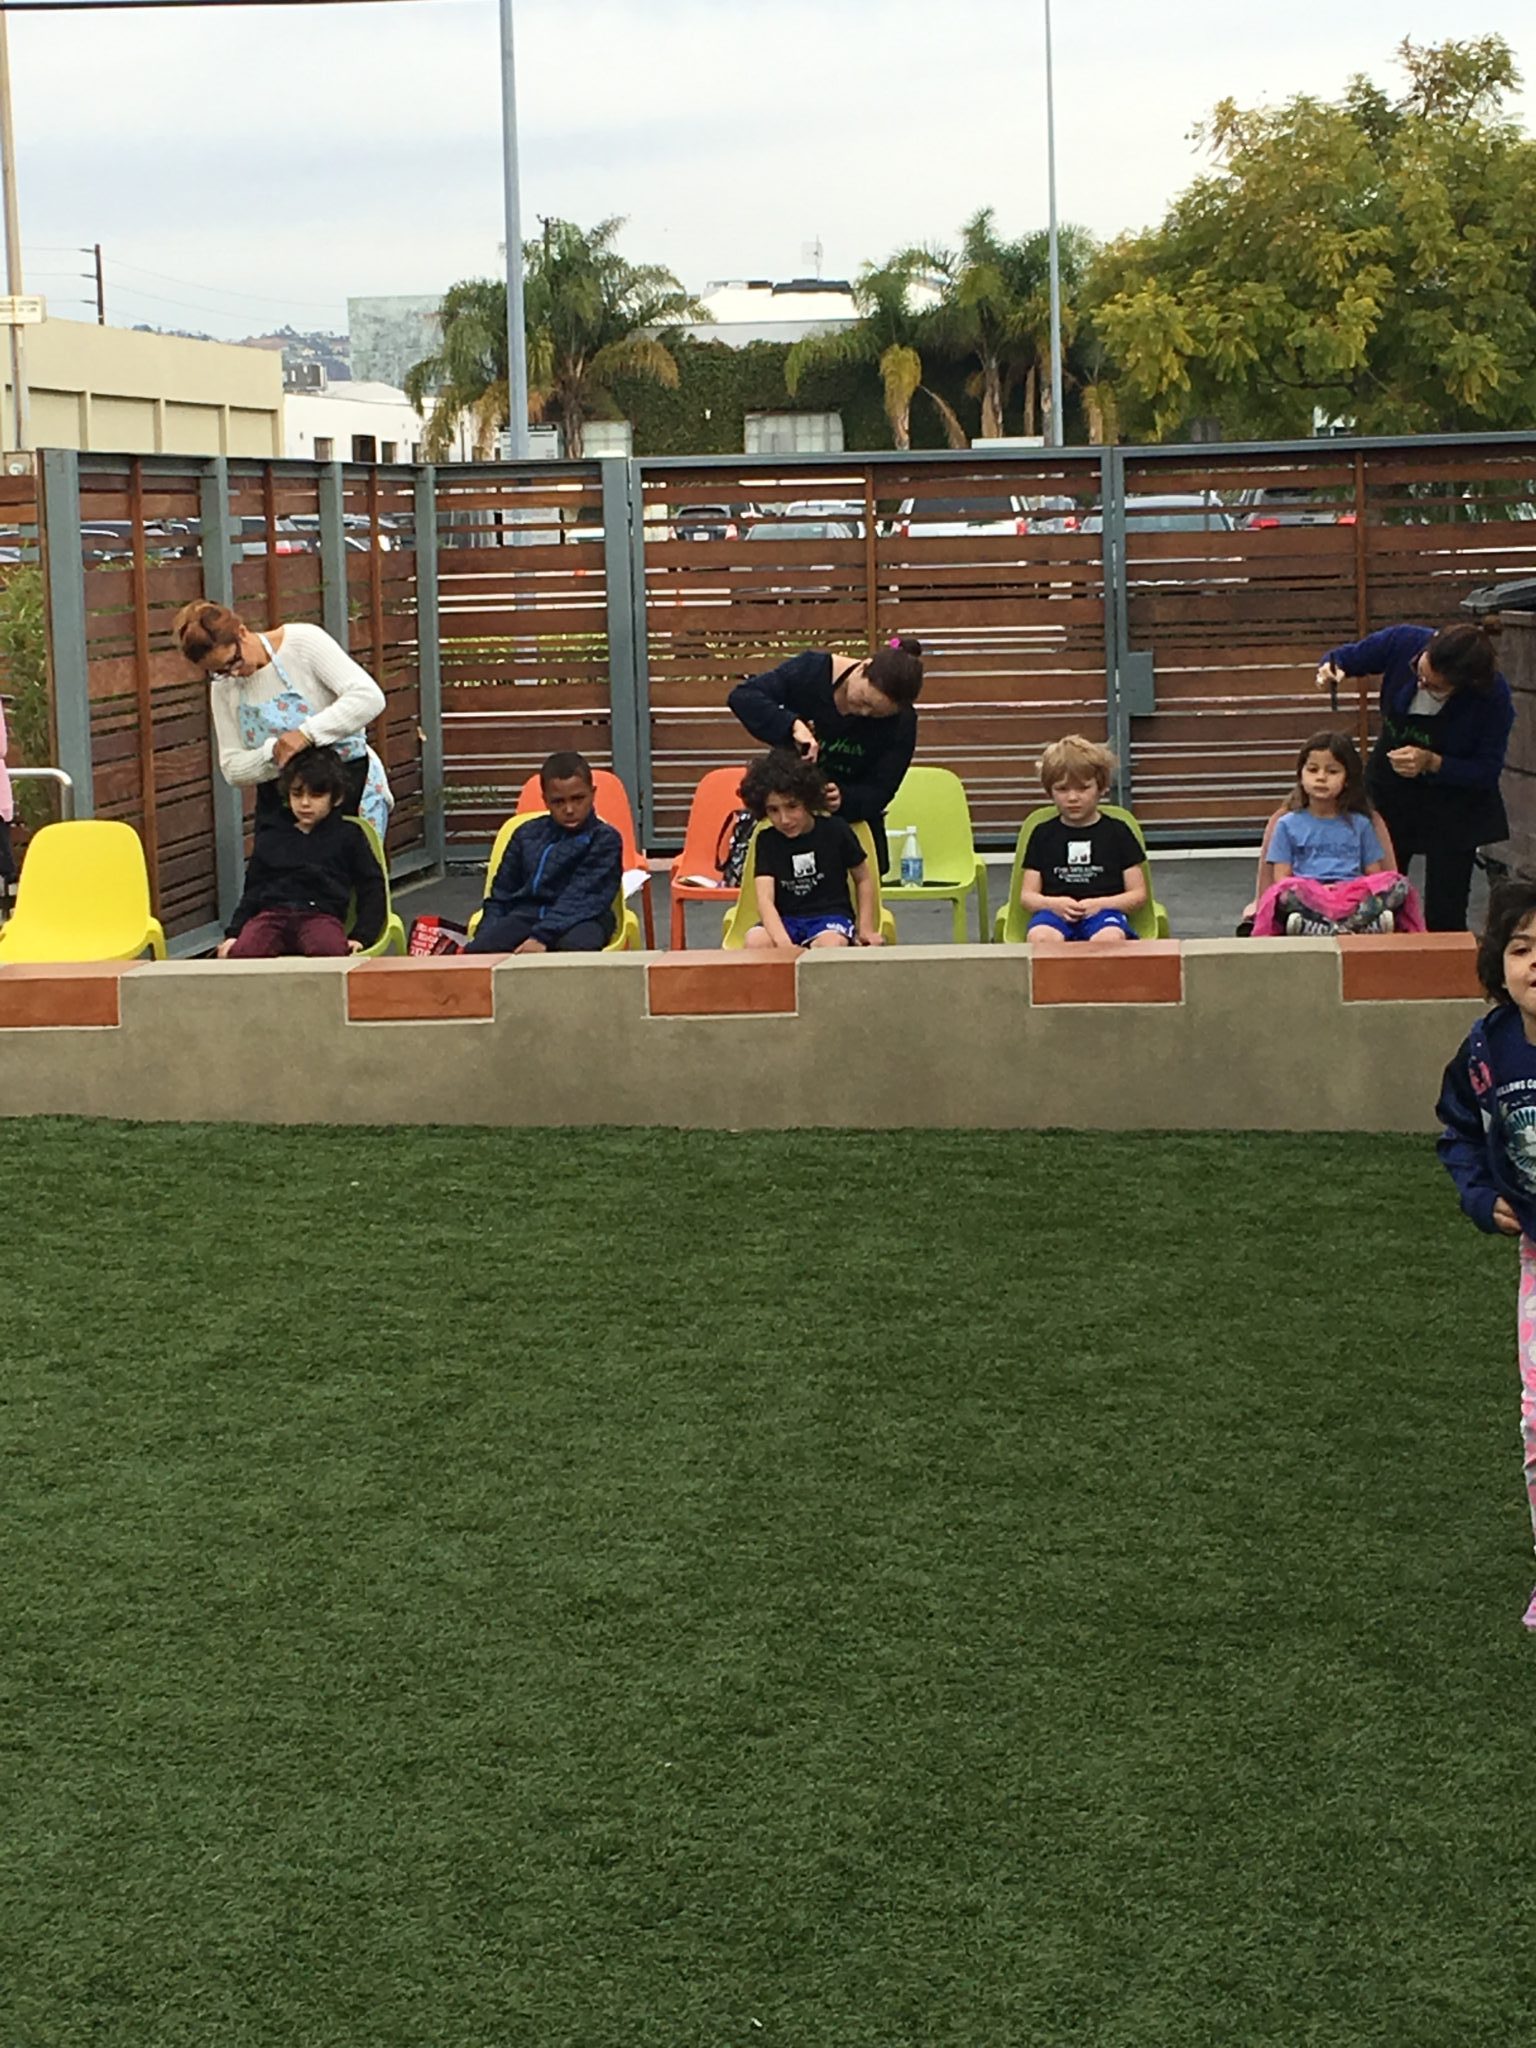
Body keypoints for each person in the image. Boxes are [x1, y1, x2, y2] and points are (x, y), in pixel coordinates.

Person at [1436, 878, 1536, 1630]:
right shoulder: (1484, 1050)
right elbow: (1461, 1132)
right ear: (1498, 963)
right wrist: (1479, 1197)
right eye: (1523, 948)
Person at [1315, 622, 1513, 931]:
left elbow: (1487, 770)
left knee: (1445, 913)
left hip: (1455, 803)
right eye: (1420, 671)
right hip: (1390, 791)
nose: (1421, 684)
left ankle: (1442, 971)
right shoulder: (1404, 640)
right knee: (1377, 900)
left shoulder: (1492, 697)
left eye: (1434, 687)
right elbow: (1345, 657)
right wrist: (1331, 668)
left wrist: (1434, 762)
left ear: (1464, 685)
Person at [173, 601, 394, 839]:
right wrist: (273, 752)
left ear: (243, 633)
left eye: (233, 661)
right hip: (280, 799)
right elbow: (231, 767)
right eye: (219, 671)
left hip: (344, 787)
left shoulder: (303, 642)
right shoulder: (224, 687)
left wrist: (306, 735)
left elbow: (368, 697)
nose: (233, 674)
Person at [727, 636, 924, 873]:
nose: (862, 712)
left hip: (852, 833)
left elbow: (882, 788)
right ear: (863, 666)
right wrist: (792, 725)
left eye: (875, 713)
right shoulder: (811, 671)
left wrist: (844, 799)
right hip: (787, 820)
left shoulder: (902, 723)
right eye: (863, 700)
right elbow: (743, 697)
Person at [1250, 730, 1423, 936]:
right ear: (1300, 775)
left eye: (1332, 771)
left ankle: (1337, 927)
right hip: (1310, 895)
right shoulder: (1286, 824)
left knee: (1398, 886)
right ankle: (1351, 926)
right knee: (1283, 895)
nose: (1321, 778)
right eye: (1313, 770)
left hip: (1351, 896)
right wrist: (1318, 891)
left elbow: (1375, 874)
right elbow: (1281, 877)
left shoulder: (1362, 823)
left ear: (1347, 779)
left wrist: (1350, 891)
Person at [217, 746, 383, 959]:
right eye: (297, 794)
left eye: (316, 795)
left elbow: (371, 885)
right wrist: (234, 933)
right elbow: (253, 890)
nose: (305, 803)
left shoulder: (348, 835)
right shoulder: (272, 836)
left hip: (321, 915)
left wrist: (362, 935)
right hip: (271, 915)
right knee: (244, 953)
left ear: (337, 798)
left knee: (329, 952)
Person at [467, 751, 622, 955]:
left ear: (592, 794)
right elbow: (501, 894)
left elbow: (583, 897)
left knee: (575, 947)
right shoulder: (525, 834)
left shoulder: (604, 839)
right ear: (546, 800)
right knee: (480, 950)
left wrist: (541, 937)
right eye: (558, 802)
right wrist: (487, 935)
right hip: (526, 915)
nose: (569, 809)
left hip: (584, 917)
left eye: (578, 799)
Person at [738, 749, 882, 951]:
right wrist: (784, 945)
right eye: (773, 810)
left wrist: (865, 928)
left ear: (808, 800)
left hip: (830, 919)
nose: (784, 819)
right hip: (786, 920)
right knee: (755, 940)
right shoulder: (767, 840)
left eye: (792, 806)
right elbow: (765, 900)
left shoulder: (836, 830)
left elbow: (863, 878)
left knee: (829, 944)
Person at [1019, 736, 1147, 945]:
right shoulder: (1042, 834)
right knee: (1040, 937)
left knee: (1109, 938)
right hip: (1054, 914)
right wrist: (1053, 904)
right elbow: (1027, 896)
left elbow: (1138, 894)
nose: (1072, 798)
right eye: (1062, 789)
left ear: (1101, 787)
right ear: (1049, 791)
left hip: (1104, 914)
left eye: (1083, 788)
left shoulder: (1118, 832)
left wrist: (1100, 904)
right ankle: (1055, 979)